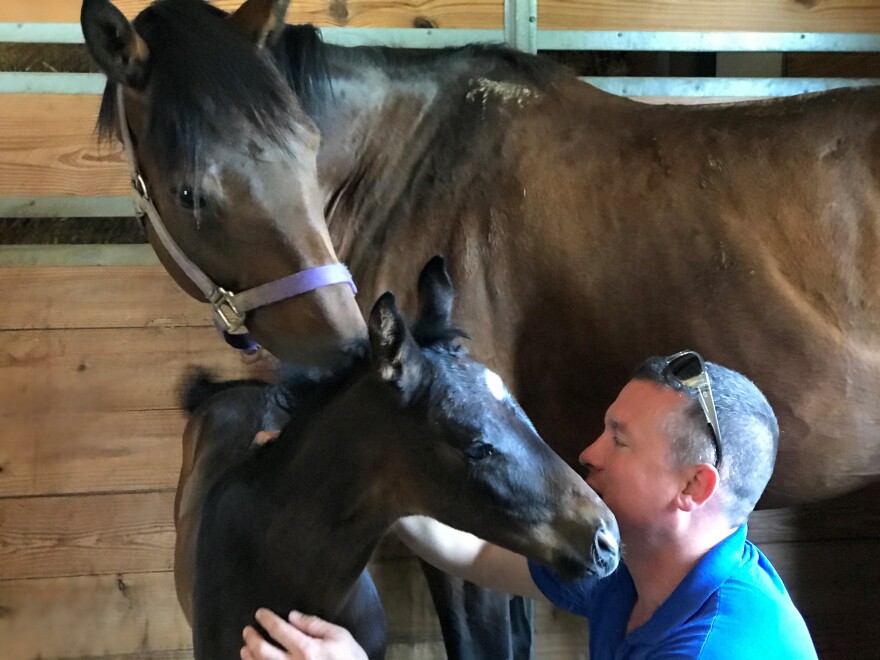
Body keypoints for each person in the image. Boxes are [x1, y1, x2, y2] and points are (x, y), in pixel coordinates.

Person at [240, 351, 818, 659]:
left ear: (693, 488)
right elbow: (484, 555)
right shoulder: (634, 570)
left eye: (619, 440)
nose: (588, 453)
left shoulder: (713, 648)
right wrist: (375, 479)